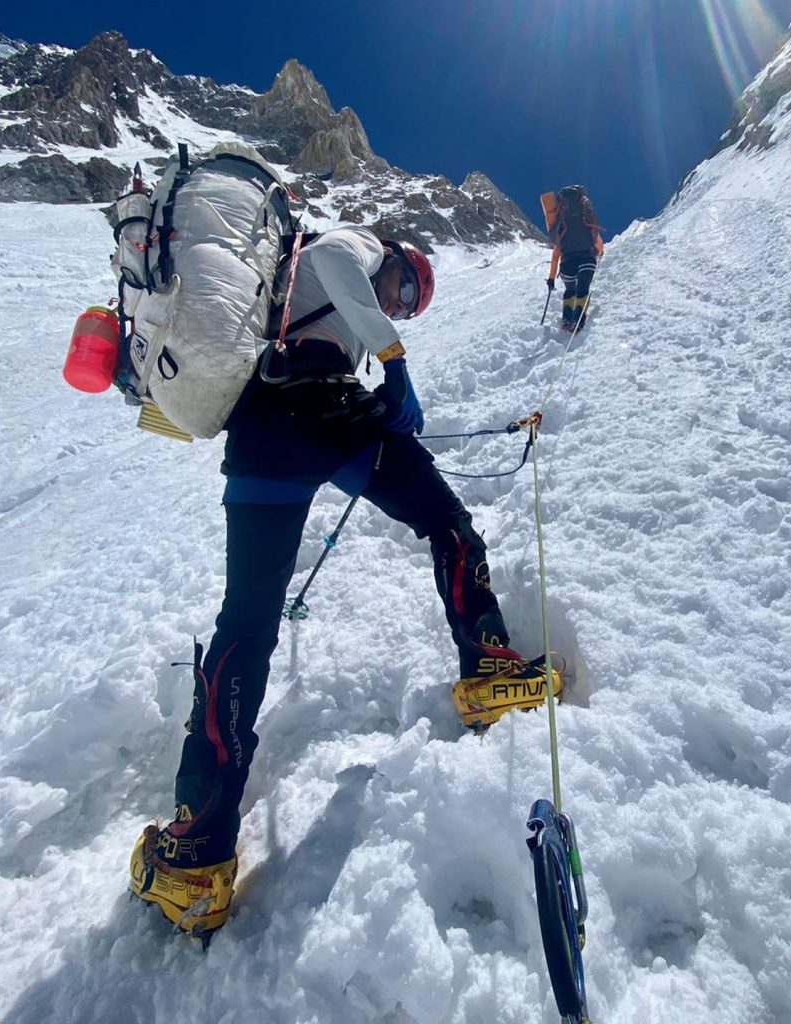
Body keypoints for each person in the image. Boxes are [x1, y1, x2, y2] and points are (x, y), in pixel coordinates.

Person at [129, 226, 560, 938]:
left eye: (411, 305)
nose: (401, 303)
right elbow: (333, 261)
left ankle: (197, 852)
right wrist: (394, 361)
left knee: (246, 624)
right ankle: (488, 665)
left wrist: (381, 375)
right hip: (326, 413)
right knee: (446, 522)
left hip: (267, 433)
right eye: (407, 287)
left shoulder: (318, 301)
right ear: (392, 255)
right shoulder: (353, 245)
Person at [543, 184, 605, 332]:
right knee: (583, 288)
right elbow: (597, 241)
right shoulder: (585, 221)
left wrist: (551, 278)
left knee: (570, 289)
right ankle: (578, 320)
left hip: (567, 263)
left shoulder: (562, 226)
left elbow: (555, 255)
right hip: (587, 259)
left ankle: (567, 318)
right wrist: (600, 253)